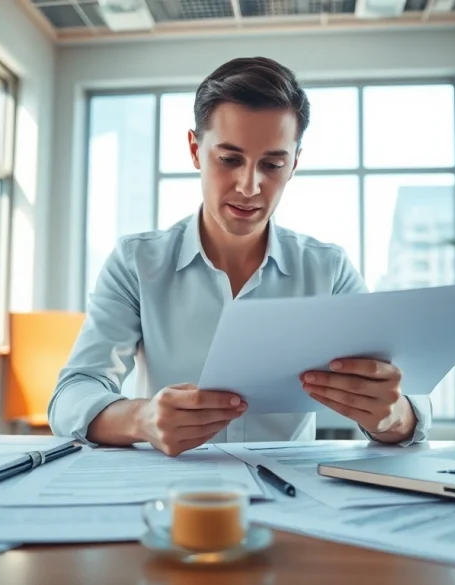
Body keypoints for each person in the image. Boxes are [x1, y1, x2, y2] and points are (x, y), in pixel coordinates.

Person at [49, 56, 432, 456]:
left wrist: (393, 416)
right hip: (175, 495)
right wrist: (141, 419)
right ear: (196, 151)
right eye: (229, 160)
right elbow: (72, 395)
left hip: (292, 496)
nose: (249, 186)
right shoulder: (136, 263)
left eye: (272, 164)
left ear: (294, 164)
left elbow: (404, 398)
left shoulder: (329, 269)